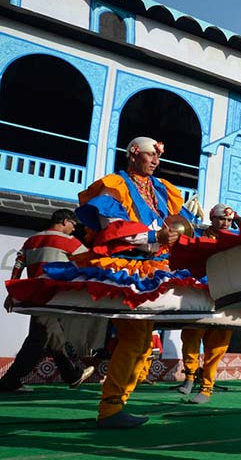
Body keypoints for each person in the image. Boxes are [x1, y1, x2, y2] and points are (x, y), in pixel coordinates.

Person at [75, 136, 193, 429]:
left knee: (141, 343)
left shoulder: (161, 190)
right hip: (128, 267)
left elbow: (178, 223)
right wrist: (154, 238)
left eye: (158, 157)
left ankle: (115, 406)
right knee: (133, 339)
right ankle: (111, 408)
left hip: (155, 267)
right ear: (133, 154)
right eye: (151, 155)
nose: (156, 161)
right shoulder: (115, 184)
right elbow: (111, 229)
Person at [0, 209, 96, 392]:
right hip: (54, 297)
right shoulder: (68, 241)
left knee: (45, 337)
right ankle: (72, 375)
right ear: (65, 221)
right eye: (73, 225)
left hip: (34, 297)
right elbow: (91, 263)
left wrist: (13, 292)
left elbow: (18, 265)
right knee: (42, 339)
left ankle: (71, 375)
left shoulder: (31, 240)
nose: (74, 229)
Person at [176, 204, 235, 403]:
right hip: (200, 292)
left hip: (226, 295)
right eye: (221, 219)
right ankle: (190, 377)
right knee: (191, 335)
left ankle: (207, 388)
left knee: (218, 344)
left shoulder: (236, 240)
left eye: (228, 220)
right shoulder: (198, 236)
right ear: (212, 218)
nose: (225, 223)